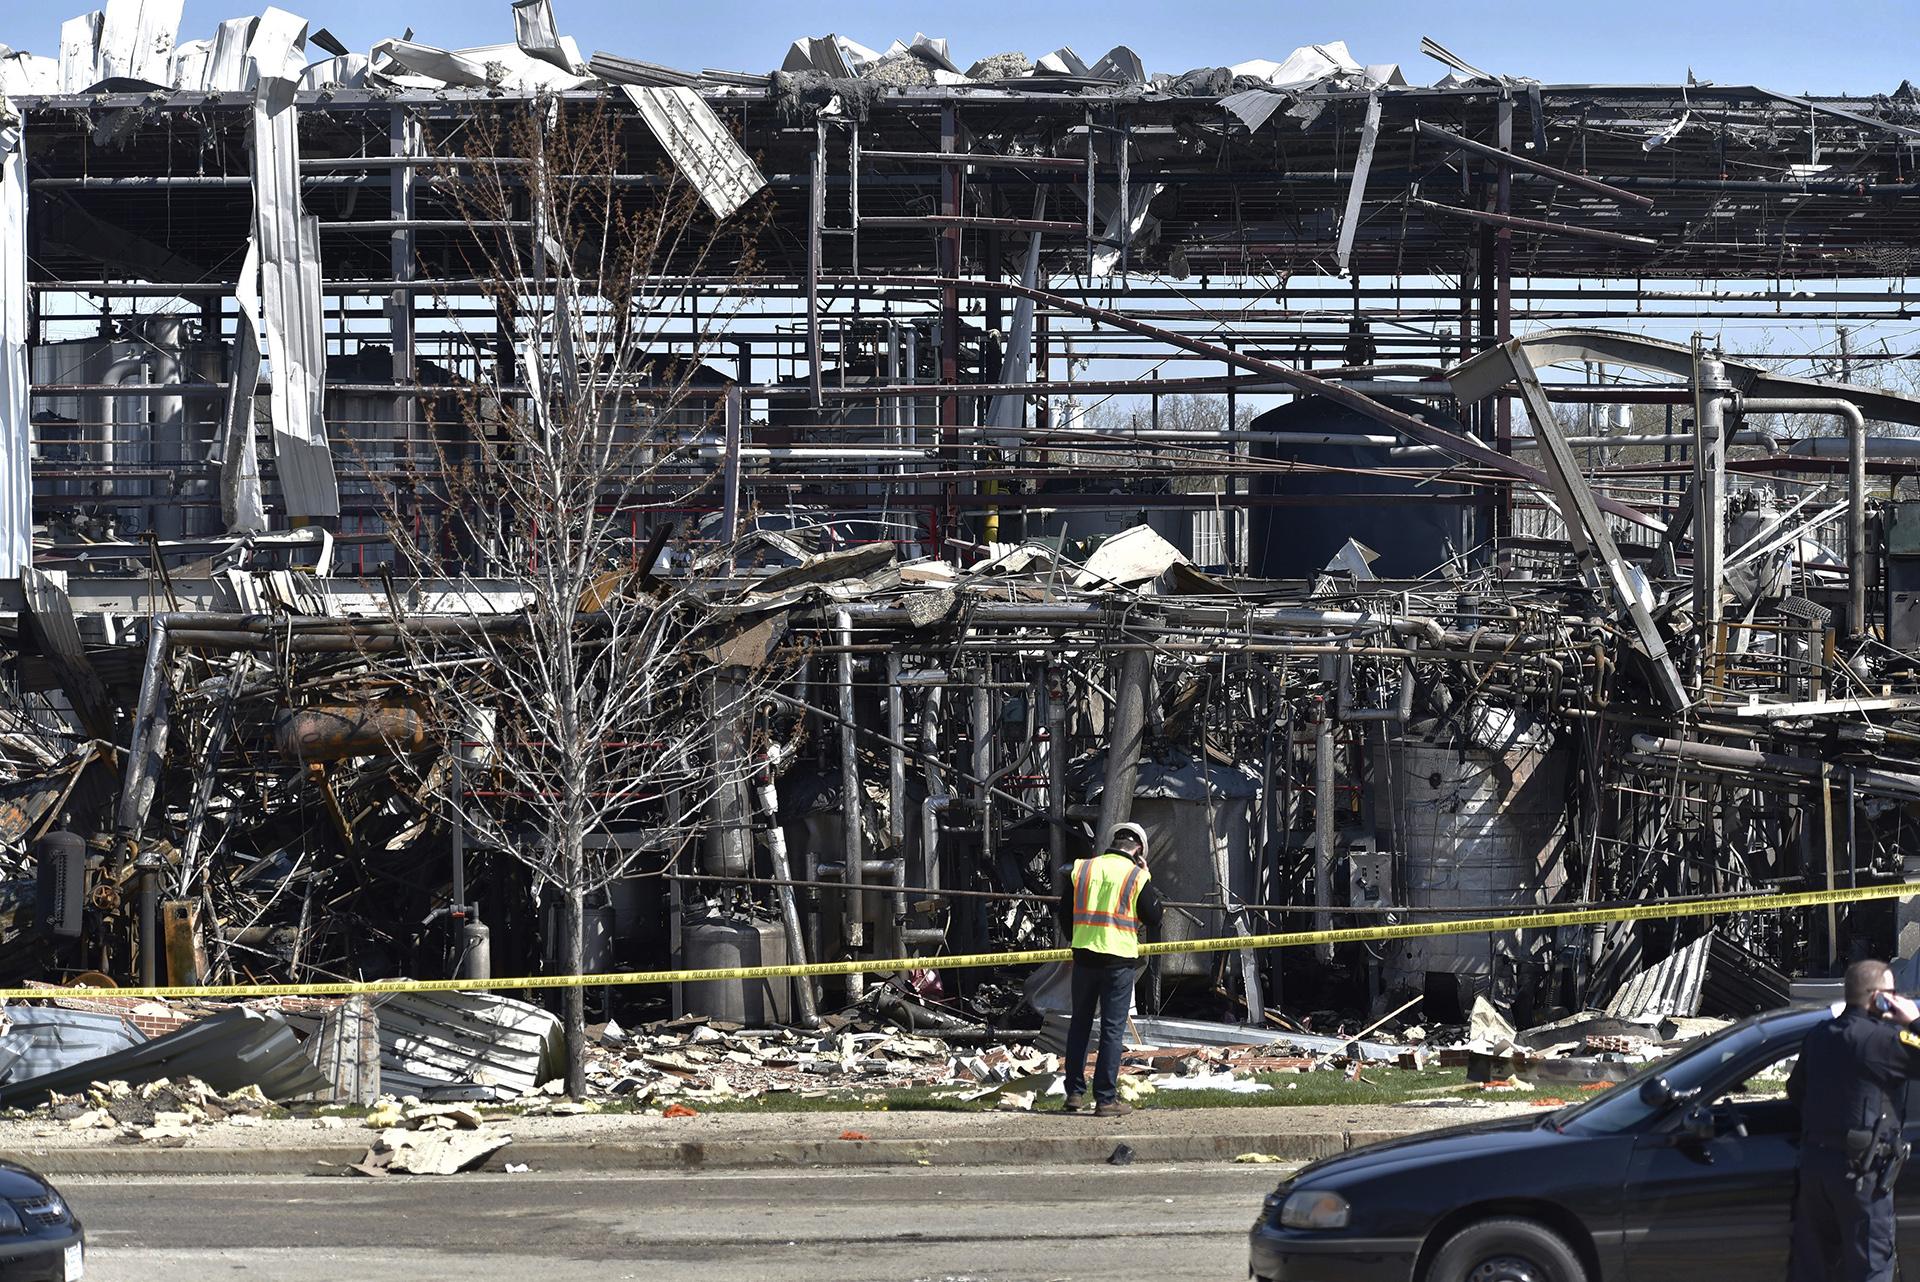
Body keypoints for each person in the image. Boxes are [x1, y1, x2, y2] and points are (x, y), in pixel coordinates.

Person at [1787, 958, 1920, 1282]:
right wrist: (1914, 1019)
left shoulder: (1819, 1035)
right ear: (1879, 998)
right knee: (1870, 1268)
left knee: (1813, 1268)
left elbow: (1795, 1089)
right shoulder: (1884, 1042)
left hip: (1815, 1167)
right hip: (1862, 1174)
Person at [1054, 821, 1164, 1118]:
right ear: (1138, 849)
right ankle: (1105, 1099)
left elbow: (1064, 912)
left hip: (1085, 956)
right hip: (1117, 961)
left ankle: (1074, 1094)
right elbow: (1154, 916)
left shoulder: (1085, 869)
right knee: (1112, 1029)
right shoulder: (1136, 876)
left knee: (1079, 1024)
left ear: (1114, 842)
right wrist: (1146, 873)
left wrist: (1078, 939)